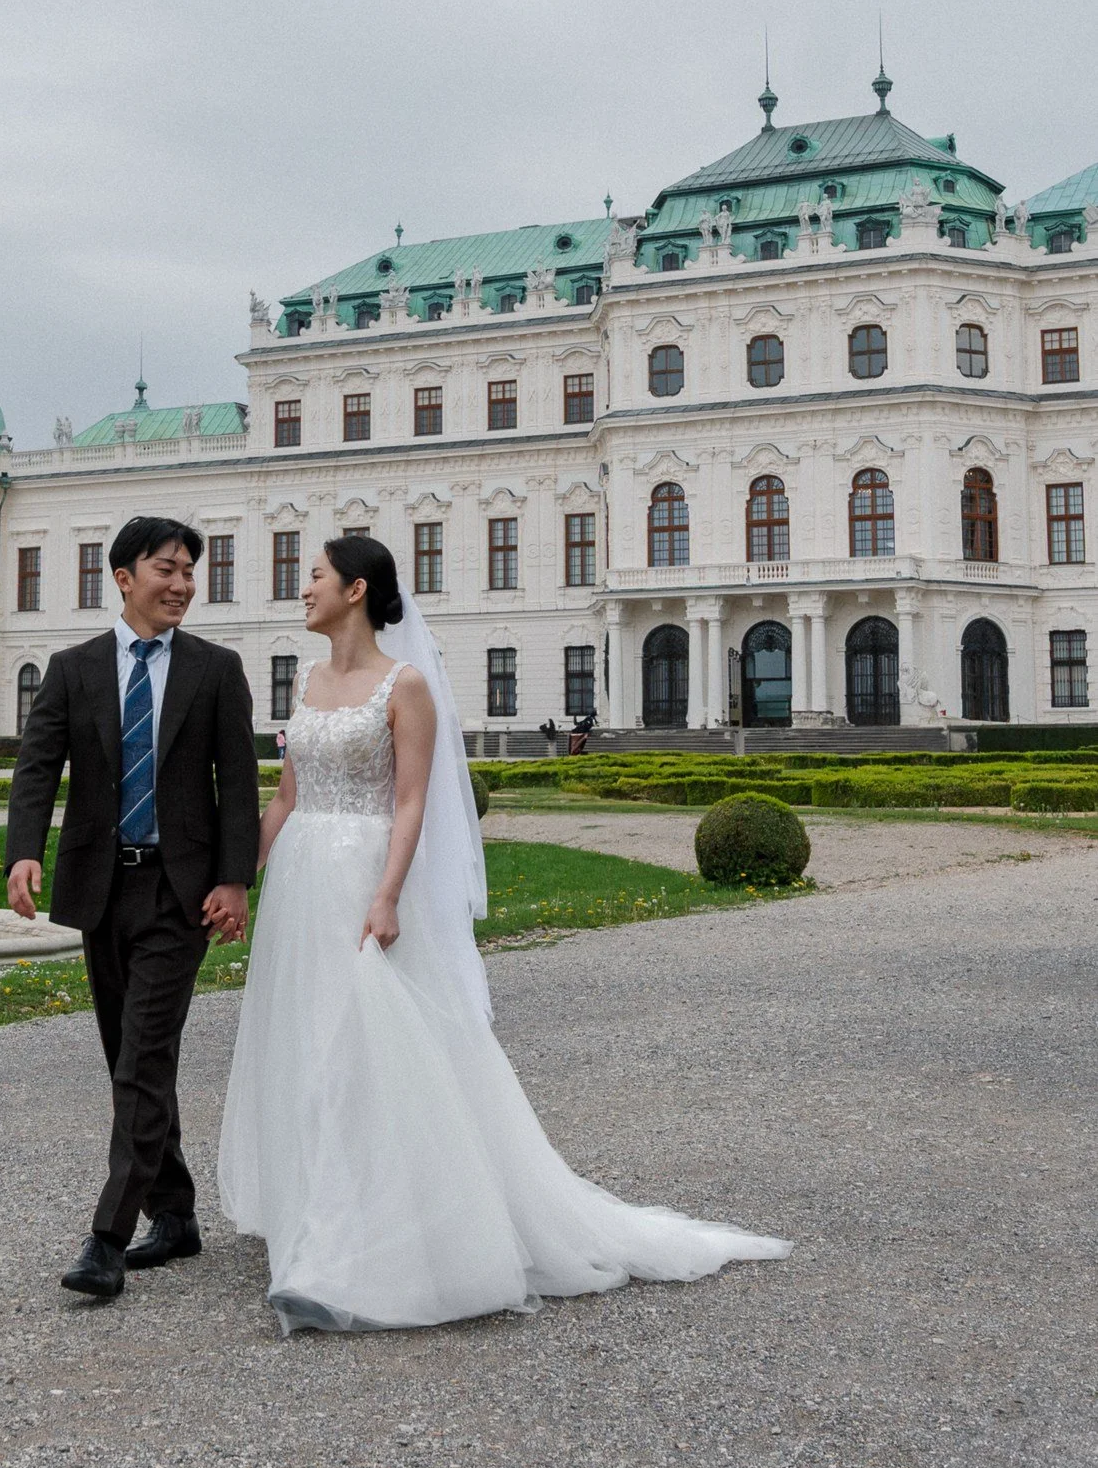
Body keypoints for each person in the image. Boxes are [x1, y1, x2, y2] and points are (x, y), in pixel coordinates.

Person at [217, 533, 790, 1334]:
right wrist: (240, 876)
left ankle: (365, 1236)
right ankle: (317, 1206)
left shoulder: (404, 684)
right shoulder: (309, 681)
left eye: (313, 576)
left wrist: (387, 896)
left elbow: (412, 803)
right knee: (306, 1040)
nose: (300, 588)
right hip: (303, 883)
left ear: (354, 590)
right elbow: (285, 797)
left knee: (370, 1046)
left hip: (360, 880)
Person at [5, 515, 259, 1301]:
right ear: (123, 577)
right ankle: (176, 1213)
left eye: (189, 570)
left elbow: (237, 785)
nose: (181, 583)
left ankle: (107, 1237)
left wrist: (233, 879)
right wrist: (23, 850)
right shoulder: (74, 667)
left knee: (144, 1055)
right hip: (100, 886)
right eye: (166, 569)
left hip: (179, 893)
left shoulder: (217, 670)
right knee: (129, 1055)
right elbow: (37, 765)